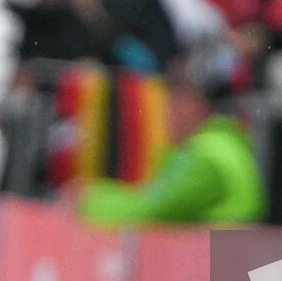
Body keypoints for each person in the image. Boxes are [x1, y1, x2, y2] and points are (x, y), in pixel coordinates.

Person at [76, 52, 265, 227]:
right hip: (227, 258)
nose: (166, 116)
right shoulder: (221, 145)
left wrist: (88, 199)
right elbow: (150, 198)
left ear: (192, 104)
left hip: (221, 261)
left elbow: (151, 212)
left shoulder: (206, 156)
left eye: (172, 105)